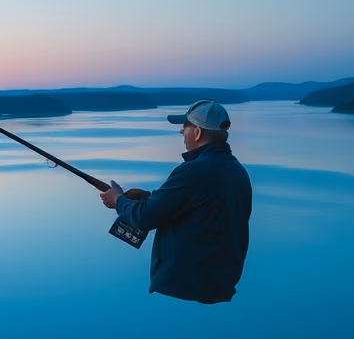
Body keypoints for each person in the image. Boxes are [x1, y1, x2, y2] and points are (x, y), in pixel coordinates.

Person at [98, 99, 252, 304]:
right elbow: (202, 205)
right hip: (219, 282)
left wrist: (117, 200)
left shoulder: (193, 171)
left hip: (187, 288)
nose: (181, 132)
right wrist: (148, 197)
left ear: (197, 132)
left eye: (185, 127)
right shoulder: (237, 170)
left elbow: (144, 217)